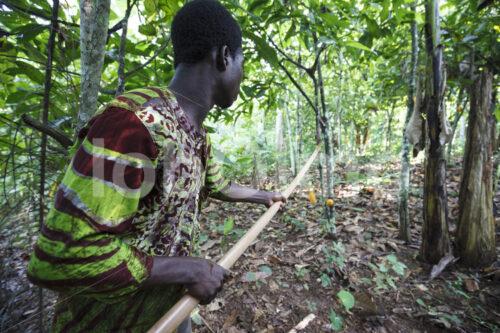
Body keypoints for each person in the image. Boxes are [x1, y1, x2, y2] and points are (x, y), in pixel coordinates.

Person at [26, 0, 286, 331]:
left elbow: (217, 185)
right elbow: (59, 256)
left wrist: (265, 196)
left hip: (170, 311)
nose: (241, 75)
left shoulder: (195, 135)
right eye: (241, 62)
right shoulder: (132, 126)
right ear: (224, 57)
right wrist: (188, 270)